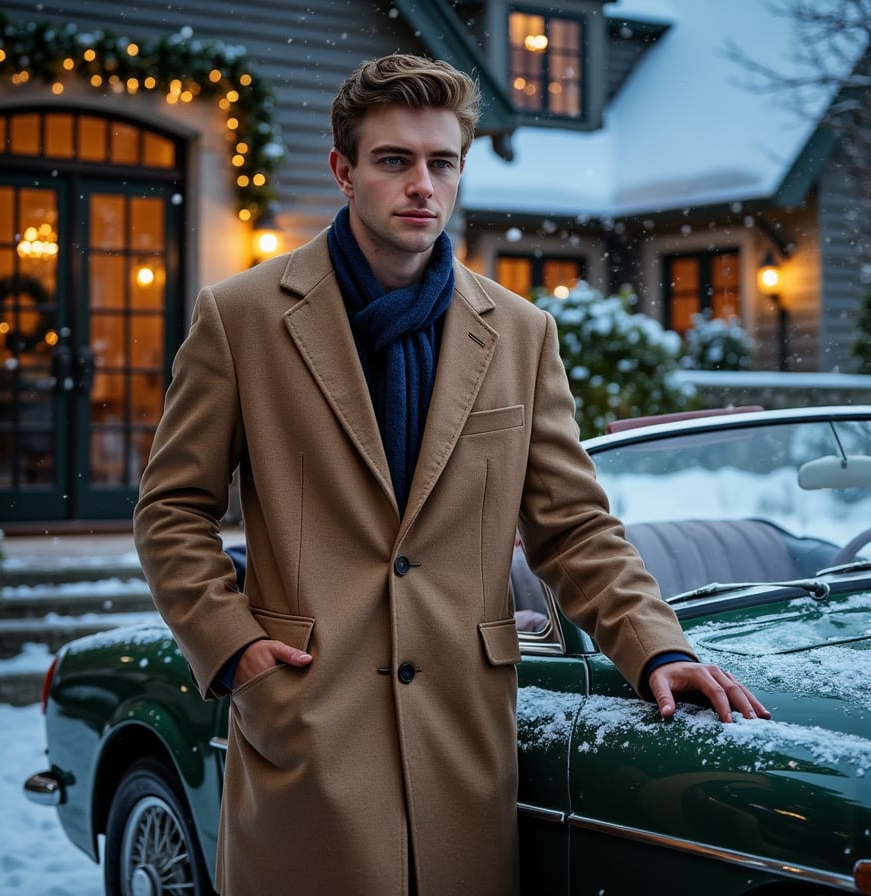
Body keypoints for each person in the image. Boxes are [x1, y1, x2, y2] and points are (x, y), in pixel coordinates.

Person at [134, 53, 769, 896]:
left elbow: (573, 526)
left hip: (461, 748)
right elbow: (172, 508)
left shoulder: (519, 333)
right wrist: (235, 646)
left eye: (442, 163)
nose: (420, 186)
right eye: (394, 161)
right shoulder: (242, 316)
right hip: (305, 727)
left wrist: (655, 647)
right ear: (344, 170)